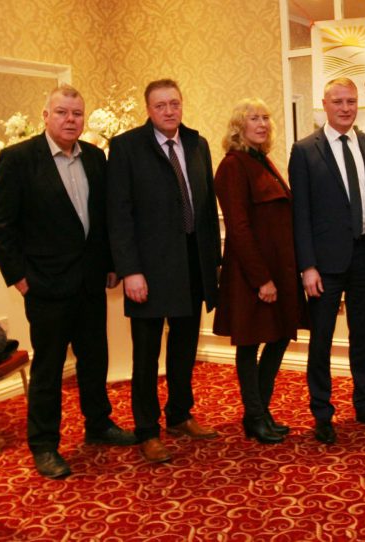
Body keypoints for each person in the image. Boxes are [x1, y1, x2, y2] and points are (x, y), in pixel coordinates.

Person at [0, 84, 136, 479]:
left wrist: (110, 263)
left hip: (89, 282)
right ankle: (45, 444)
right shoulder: (18, 159)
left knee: (95, 358)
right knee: (49, 368)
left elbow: (100, 219)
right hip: (44, 285)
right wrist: (19, 278)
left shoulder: (94, 157)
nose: (71, 120)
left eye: (77, 114)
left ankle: (98, 424)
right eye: (63, 113)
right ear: (46, 116)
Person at [108, 79, 222, 463]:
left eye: (174, 103)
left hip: (192, 263)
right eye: (161, 105)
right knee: (146, 355)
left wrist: (213, 263)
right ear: (148, 109)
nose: (169, 111)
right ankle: (147, 430)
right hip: (149, 270)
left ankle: (179, 414)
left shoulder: (197, 143)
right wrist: (130, 270)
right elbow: (118, 215)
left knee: (185, 348)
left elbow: (206, 210)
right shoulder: (126, 148)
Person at [290, 78, 365, 444]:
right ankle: (322, 413)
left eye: (351, 101)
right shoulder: (305, 151)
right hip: (324, 263)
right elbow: (300, 214)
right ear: (324, 105)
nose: (346, 108)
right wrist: (308, 266)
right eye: (338, 101)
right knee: (321, 341)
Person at [213, 99, 304, 445]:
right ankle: (254, 415)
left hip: (279, 270)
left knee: (281, 335)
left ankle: (261, 411)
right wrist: (260, 278)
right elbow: (237, 227)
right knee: (250, 344)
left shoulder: (261, 160)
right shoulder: (233, 166)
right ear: (239, 126)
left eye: (266, 117)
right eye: (254, 118)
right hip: (253, 273)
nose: (263, 123)